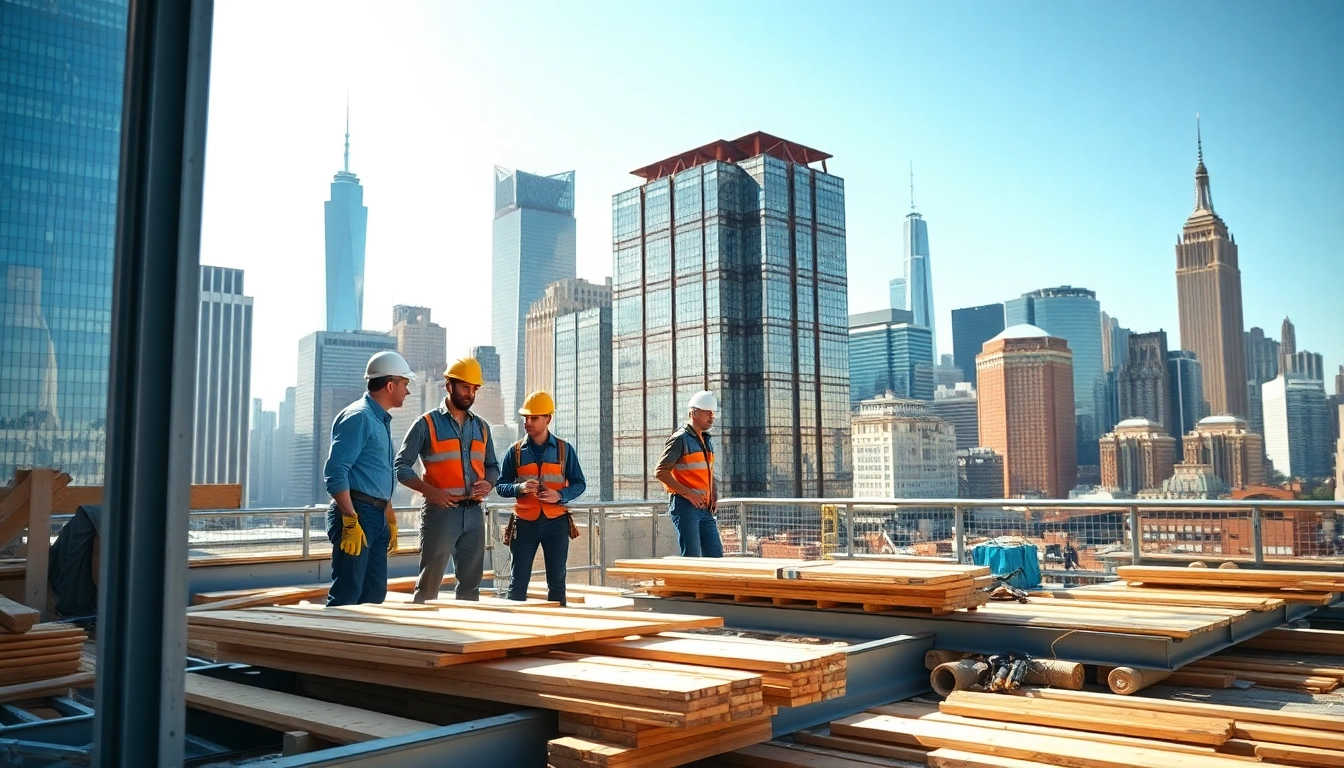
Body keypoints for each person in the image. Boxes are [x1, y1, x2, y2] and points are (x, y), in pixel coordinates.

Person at [395, 357, 498, 603]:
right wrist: (431, 492)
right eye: (465, 387)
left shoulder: (482, 427)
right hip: (440, 513)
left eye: (474, 389)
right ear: (448, 386)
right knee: (429, 586)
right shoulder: (426, 424)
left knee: (471, 588)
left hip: (474, 514)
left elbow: (493, 466)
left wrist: (489, 483)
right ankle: (423, 638)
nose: (470, 393)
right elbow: (401, 467)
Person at [323, 351, 414, 606]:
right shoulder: (359, 417)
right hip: (356, 514)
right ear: (390, 385)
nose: (407, 391)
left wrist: (390, 515)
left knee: (374, 595)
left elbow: (377, 474)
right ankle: (335, 645)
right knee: (347, 594)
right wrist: (350, 520)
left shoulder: (380, 420)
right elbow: (335, 472)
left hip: (376, 515)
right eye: (405, 384)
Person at [495, 391, 586, 605]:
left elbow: (580, 483)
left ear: (548, 419)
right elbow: (500, 486)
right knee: (517, 584)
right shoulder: (515, 451)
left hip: (556, 524)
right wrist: (519, 488)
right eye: (525, 417)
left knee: (557, 582)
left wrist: (559, 495)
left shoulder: (564, 450)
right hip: (524, 524)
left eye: (533, 417)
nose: (528, 422)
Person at [656, 390, 723, 558]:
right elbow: (660, 472)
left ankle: (710, 585)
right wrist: (689, 494)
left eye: (713, 413)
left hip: (705, 508)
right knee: (692, 557)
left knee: (716, 556)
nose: (711, 416)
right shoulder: (680, 439)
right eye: (707, 412)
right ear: (694, 412)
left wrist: (713, 493)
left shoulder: (706, 440)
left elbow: (708, 471)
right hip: (685, 507)